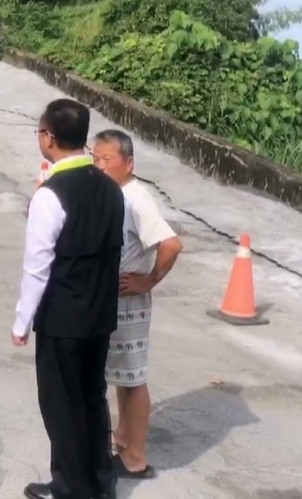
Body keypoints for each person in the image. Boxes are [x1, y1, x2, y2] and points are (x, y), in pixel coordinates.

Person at [13, 99, 125, 499]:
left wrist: (21, 321)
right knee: (92, 398)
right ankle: (100, 481)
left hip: (63, 317)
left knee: (62, 405)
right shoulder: (113, 189)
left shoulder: (50, 194)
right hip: (100, 314)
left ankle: (71, 488)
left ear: (48, 138)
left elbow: (37, 266)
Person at [91, 129, 183, 480]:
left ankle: (135, 457)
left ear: (128, 163)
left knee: (132, 380)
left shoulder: (136, 197)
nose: (99, 166)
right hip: (114, 300)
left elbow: (171, 245)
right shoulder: (115, 194)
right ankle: (123, 439)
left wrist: (149, 280)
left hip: (129, 300)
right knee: (121, 377)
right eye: (95, 159)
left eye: (107, 159)